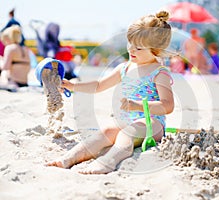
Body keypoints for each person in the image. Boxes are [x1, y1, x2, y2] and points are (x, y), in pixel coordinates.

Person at [46, 10, 174, 174]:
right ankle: (68, 158)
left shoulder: (158, 72)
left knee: (125, 135)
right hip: (127, 118)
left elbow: (168, 105)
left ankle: (108, 162)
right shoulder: (125, 68)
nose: (132, 50)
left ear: (156, 50)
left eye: (139, 48)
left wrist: (138, 106)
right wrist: (73, 86)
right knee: (104, 132)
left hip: (152, 122)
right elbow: (99, 85)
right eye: (130, 44)